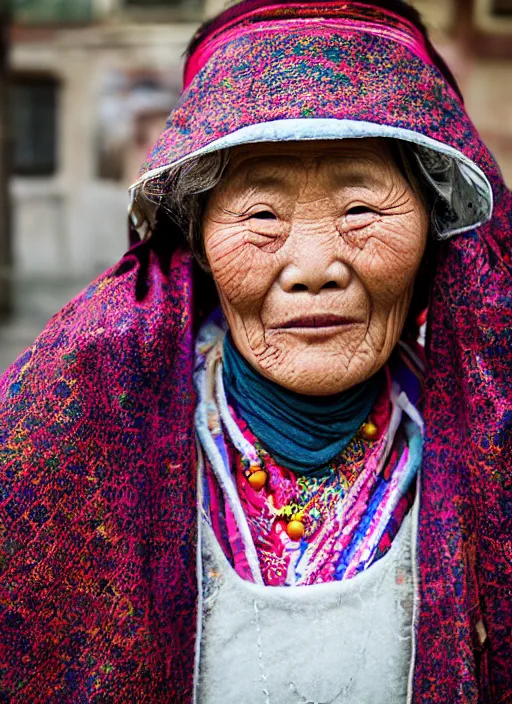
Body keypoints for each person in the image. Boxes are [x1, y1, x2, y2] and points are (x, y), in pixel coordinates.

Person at [0, 1, 510, 702]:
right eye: (262, 215)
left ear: (431, 233)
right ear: (199, 242)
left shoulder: (491, 442)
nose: (313, 265)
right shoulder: (81, 430)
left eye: (360, 208)